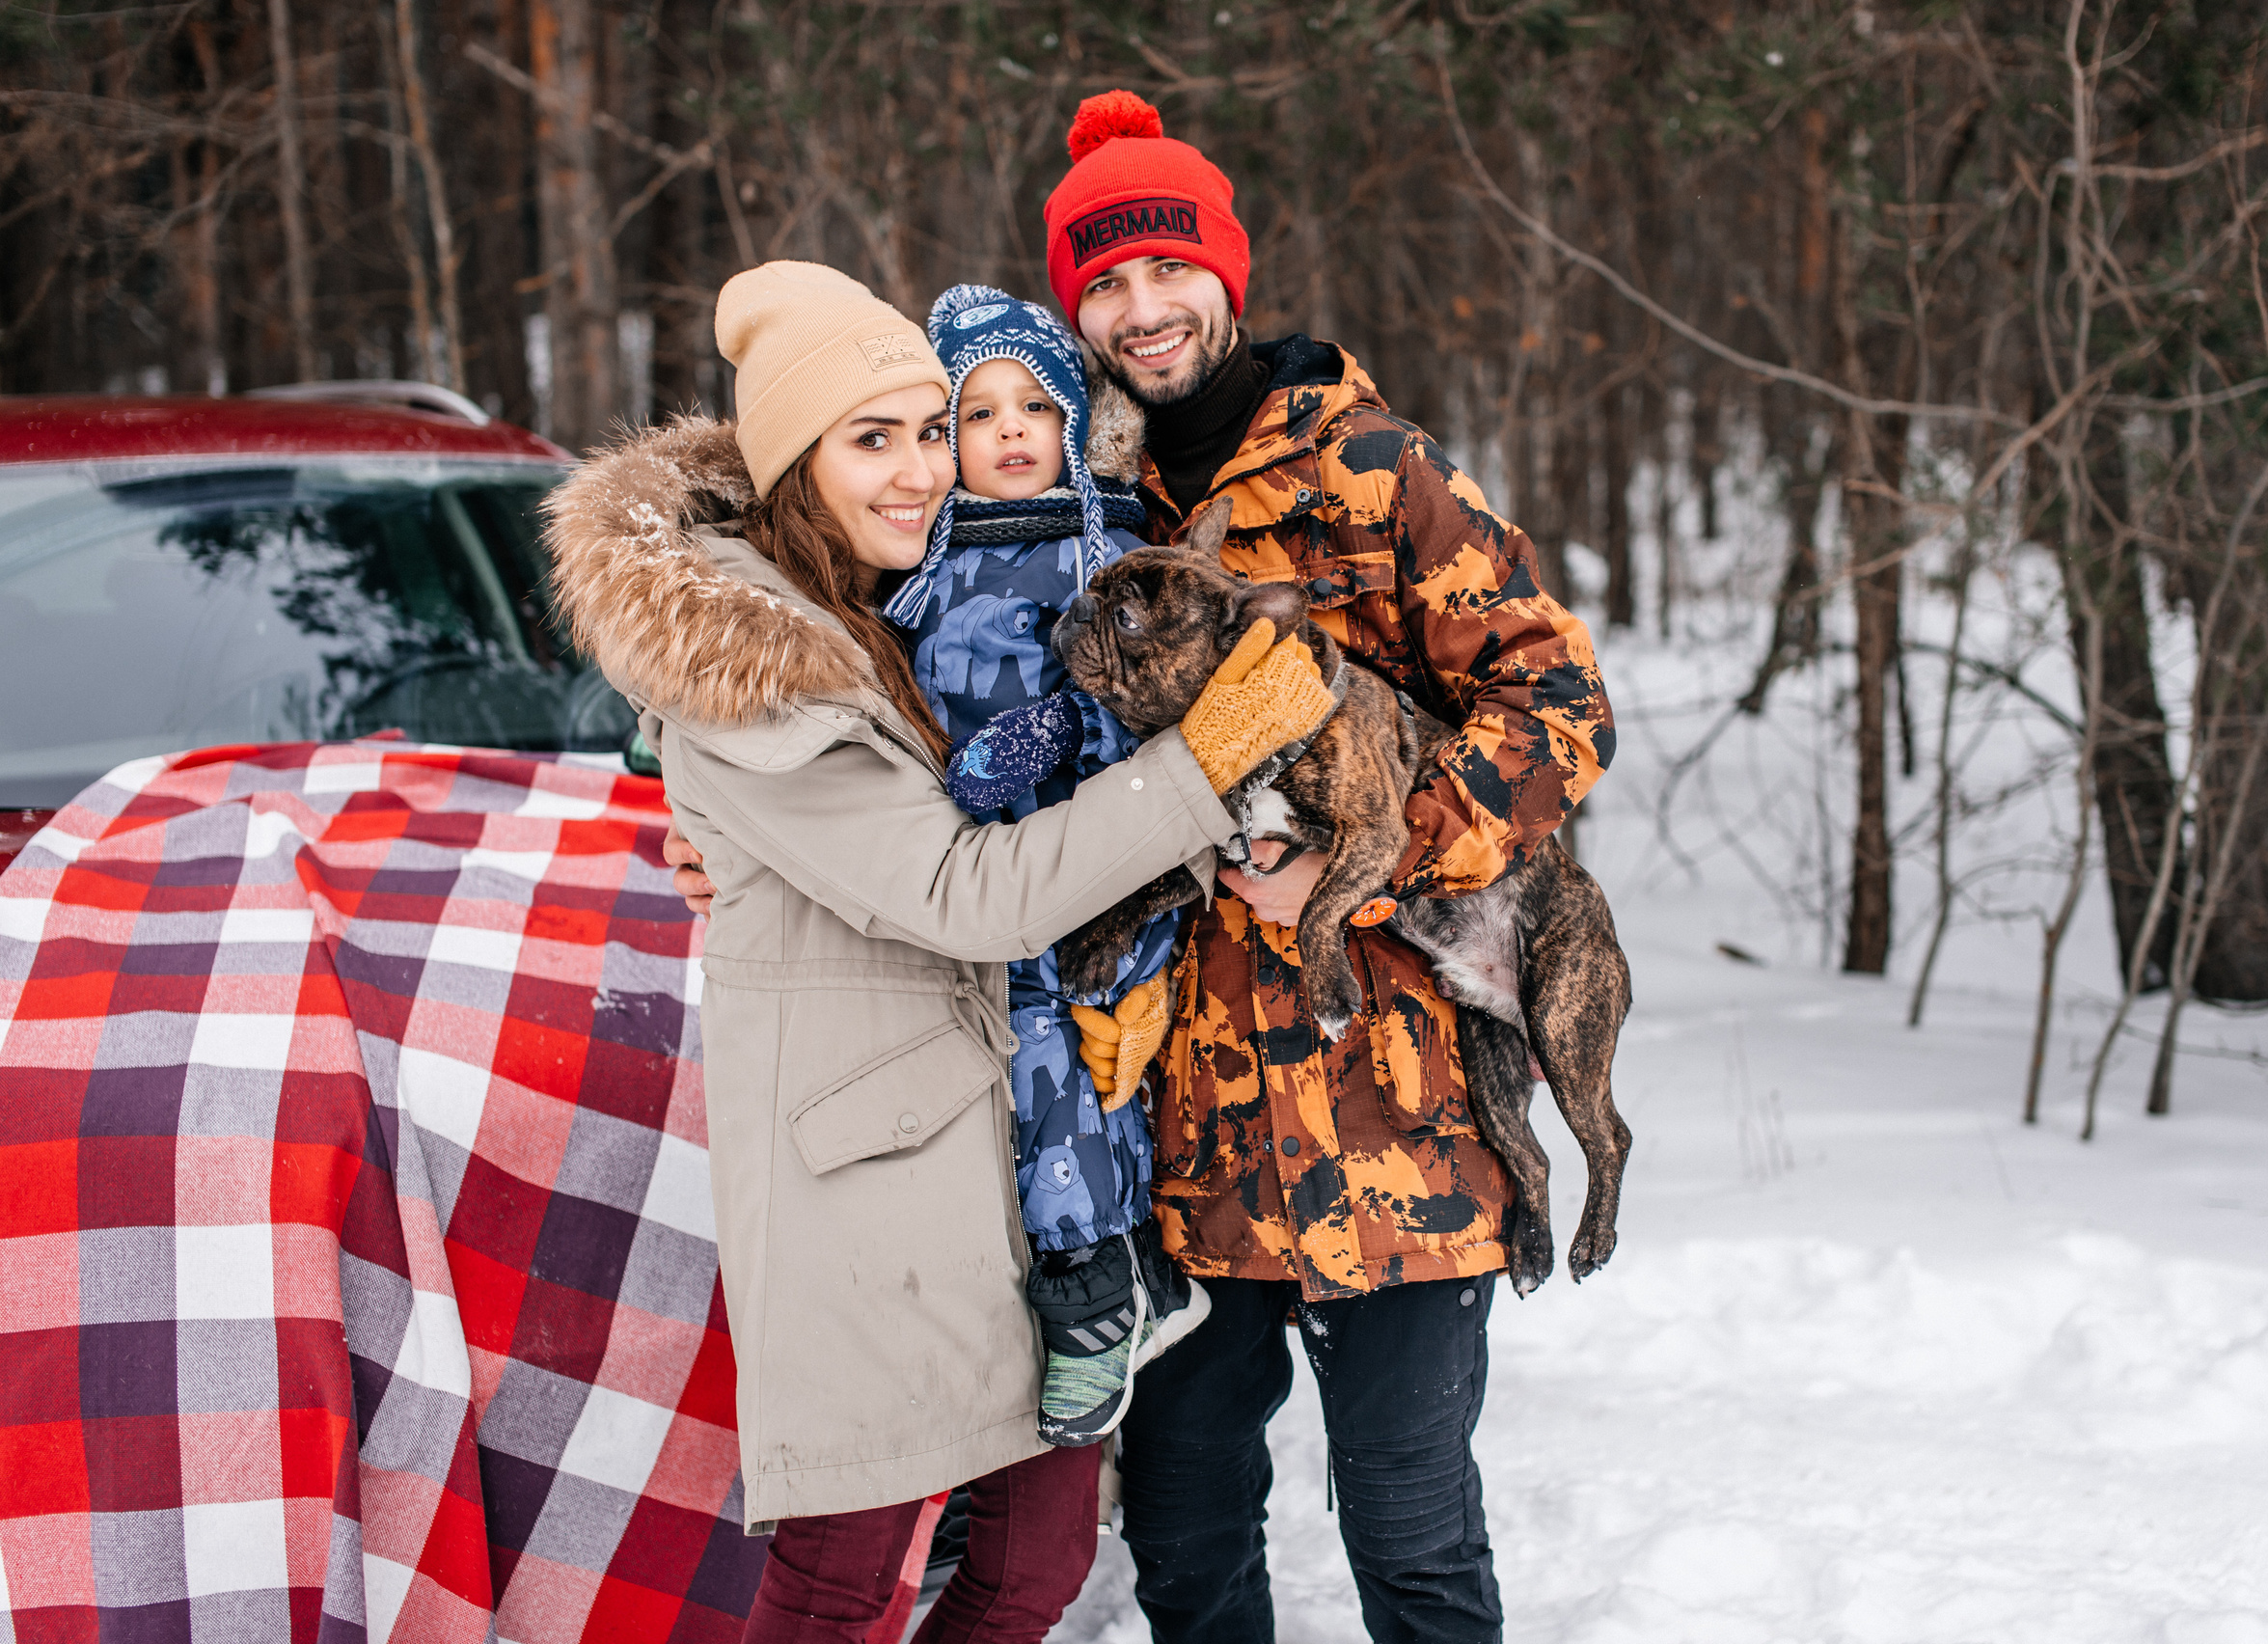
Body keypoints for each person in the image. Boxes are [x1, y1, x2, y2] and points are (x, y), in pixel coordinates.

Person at [543, 260, 1330, 1644]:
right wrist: (1202, 771)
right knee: (841, 1583)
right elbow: (970, 889)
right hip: (872, 1181)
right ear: (795, 461)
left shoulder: (892, 600)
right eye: (874, 438)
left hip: (1012, 1166)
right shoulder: (757, 664)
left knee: (1031, 1572)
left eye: (927, 429)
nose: (919, 471)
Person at [1045, 92, 1619, 1643]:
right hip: (1179, 1133)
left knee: (1412, 1542)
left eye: (1167, 269)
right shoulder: (1076, 508)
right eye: (1103, 283)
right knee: (1183, 1537)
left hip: (1397, 1117)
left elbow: (1560, 706)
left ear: (1225, 273)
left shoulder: (1368, 470)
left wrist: (1388, 863)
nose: (1142, 310)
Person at [889, 282, 1209, 1446]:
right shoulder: (911, 564)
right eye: (978, 416)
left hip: (1092, 870)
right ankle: (999, 1366)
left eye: (1034, 406)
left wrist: (1070, 729)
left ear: (1075, 422)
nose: (1011, 432)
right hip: (956, 871)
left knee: (1056, 1059)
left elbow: (1178, 694)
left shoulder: (1111, 548)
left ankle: (1091, 1294)